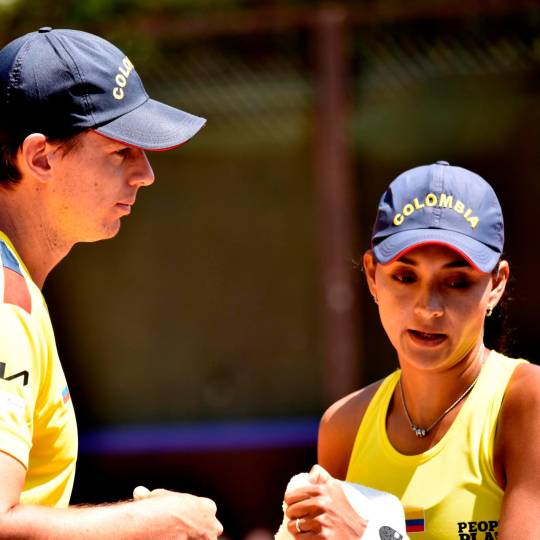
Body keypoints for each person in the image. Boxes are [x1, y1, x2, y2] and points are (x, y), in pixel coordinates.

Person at [0, 27, 223, 538]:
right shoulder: (5, 304)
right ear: (40, 158)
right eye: (121, 150)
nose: (146, 173)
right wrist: (150, 521)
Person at [283, 161, 540, 539]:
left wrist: (369, 533)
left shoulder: (526, 402)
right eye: (405, 277)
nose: (428, 307)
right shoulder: (343, 427)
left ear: (496, 285)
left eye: (456, 281)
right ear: (372, 276)